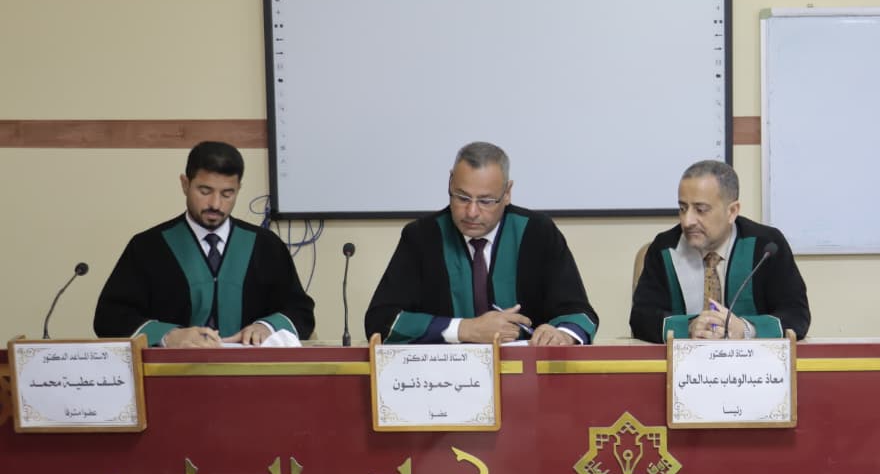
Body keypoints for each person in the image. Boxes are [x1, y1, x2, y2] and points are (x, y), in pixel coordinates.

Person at [365, 142, 598, 345]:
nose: (472, 212)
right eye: (462, 197)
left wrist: (561, 334)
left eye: (486, 201)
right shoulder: (422, 237)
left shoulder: (537, 233)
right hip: (441, 375)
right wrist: (466, 329)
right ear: (450, 182)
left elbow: (578, 313)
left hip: (524, 373)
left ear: (507, 193)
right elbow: (381, 321)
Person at [94, 141, 315, 347]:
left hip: (250, 370)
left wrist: (267, 327)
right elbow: (110, 317)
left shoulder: (266, 246)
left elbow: (300, 311)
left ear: (238, 189)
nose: (215, 204)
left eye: (227, 194)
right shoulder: (148, 247)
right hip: (172, 372)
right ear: (185, 184)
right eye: (205, 191)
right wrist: (167, 335)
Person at [630, 159, 810, 342]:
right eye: (683, 208)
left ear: (732, 211)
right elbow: (640, 318)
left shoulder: (765, 246)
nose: (687, 221)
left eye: (700, 210)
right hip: (685, 358)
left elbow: (797, 315)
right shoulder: (665, 248)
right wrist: (688, 327)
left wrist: (746, 329)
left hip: (754, 359)